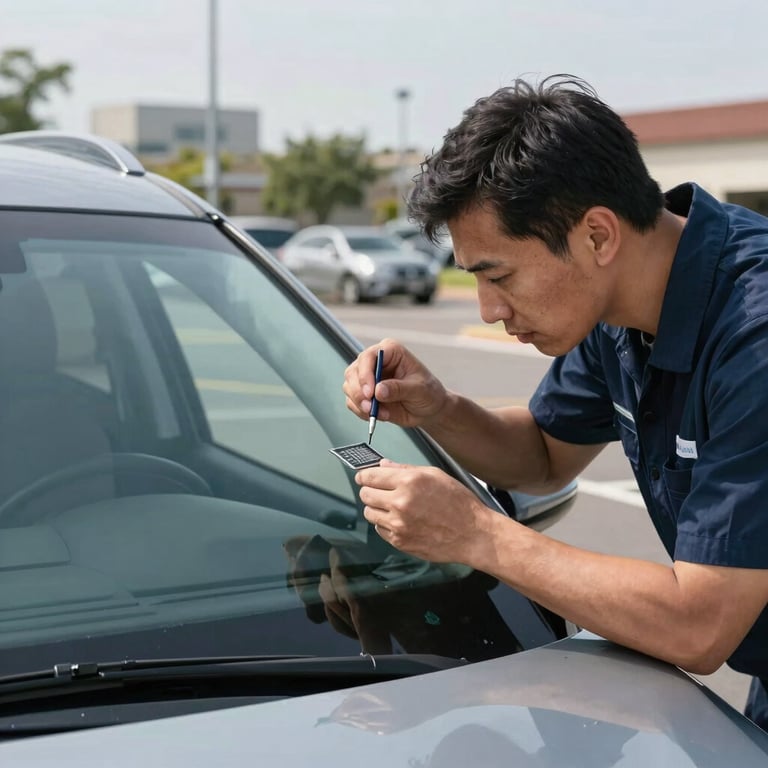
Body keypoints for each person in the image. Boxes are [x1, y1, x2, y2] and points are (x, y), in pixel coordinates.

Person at [342, 74, 768, 730]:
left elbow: (700, 624)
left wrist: (477, 534)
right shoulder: (616, 307)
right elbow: (542, 453)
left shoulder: (753, 334)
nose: (489, 310)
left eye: (500, 276)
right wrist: (437, 407)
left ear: (598, 236)